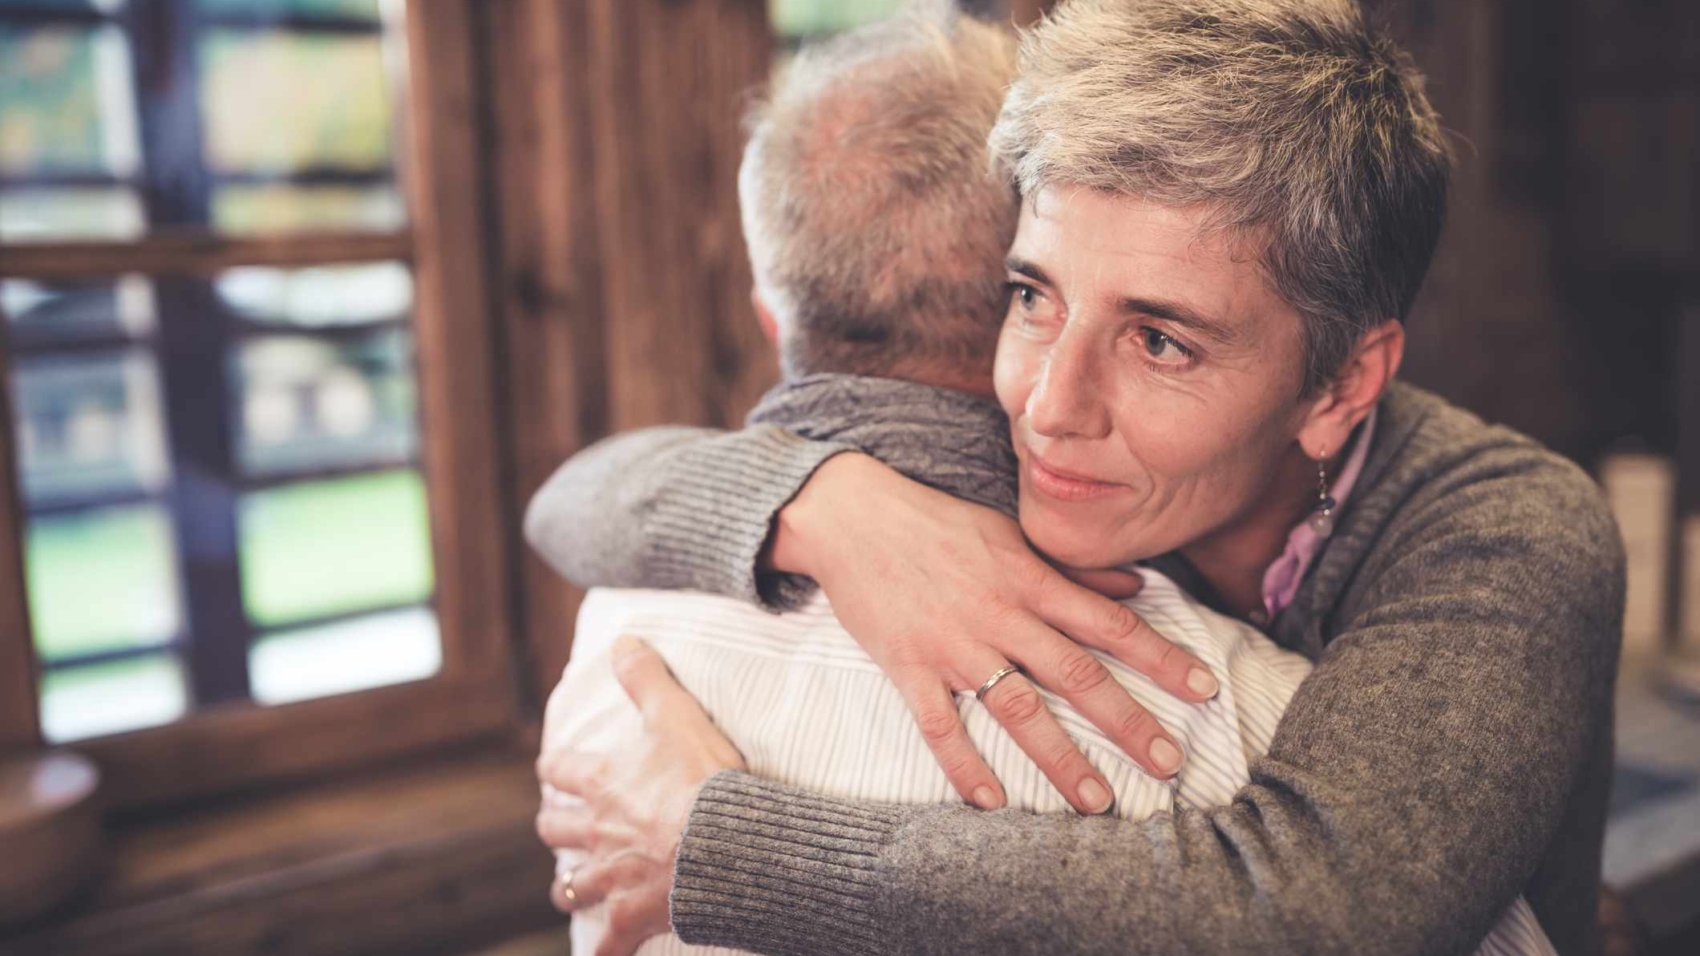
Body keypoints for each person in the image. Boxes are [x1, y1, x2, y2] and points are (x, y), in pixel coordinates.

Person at [530, 2, 1627, 955]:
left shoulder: (1506, 530)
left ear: (1340, 382)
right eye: (1031, 294)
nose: (1046, 405)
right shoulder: (1045, 464)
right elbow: (575, 497)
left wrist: (713, 840)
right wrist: (820, 509)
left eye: (1159, 341)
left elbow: (1311, 915)